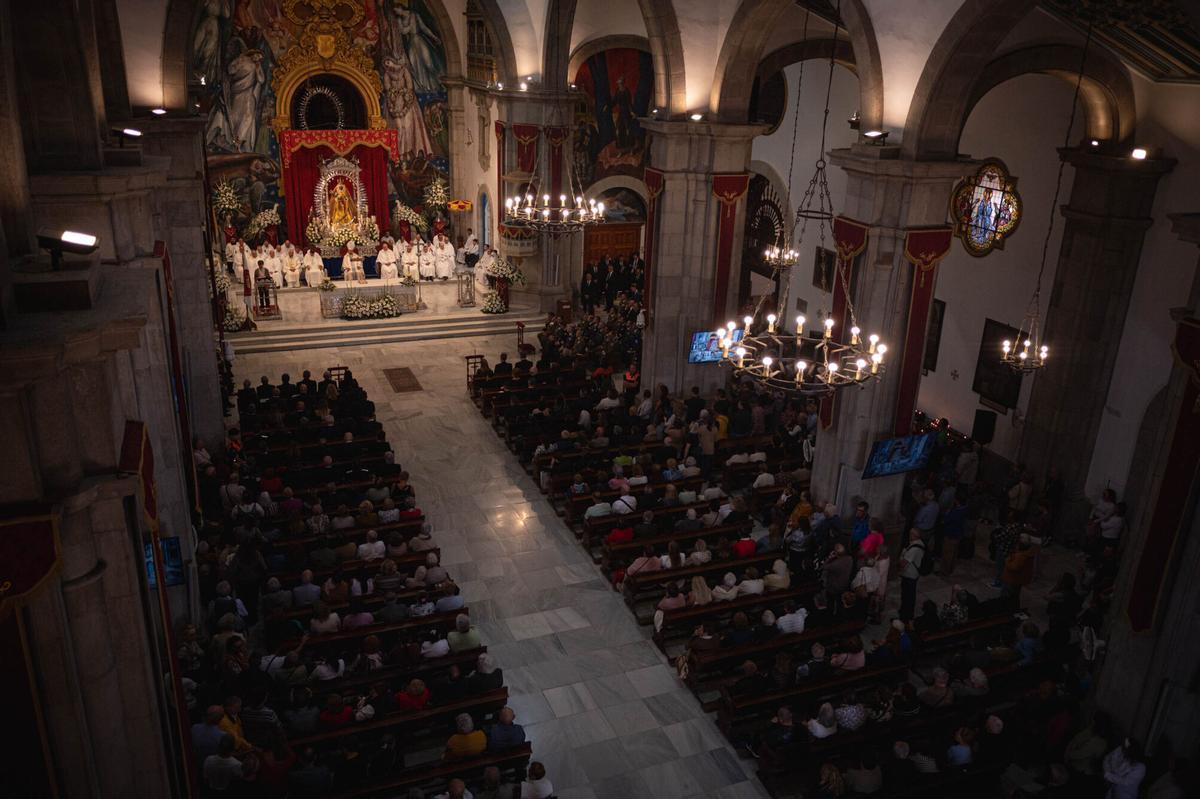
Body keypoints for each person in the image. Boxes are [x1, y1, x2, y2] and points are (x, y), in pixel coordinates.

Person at [898, 529, 926, 620]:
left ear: (915, 536)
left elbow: (903, 563)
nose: (909, 535)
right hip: (913, 574)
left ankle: (906, 616)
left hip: (910, 575)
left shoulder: (914, 549)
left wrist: (902, 554)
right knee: (908, 595)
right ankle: (904, 611)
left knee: (908, 596)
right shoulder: (920, 543)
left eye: (911, 534)